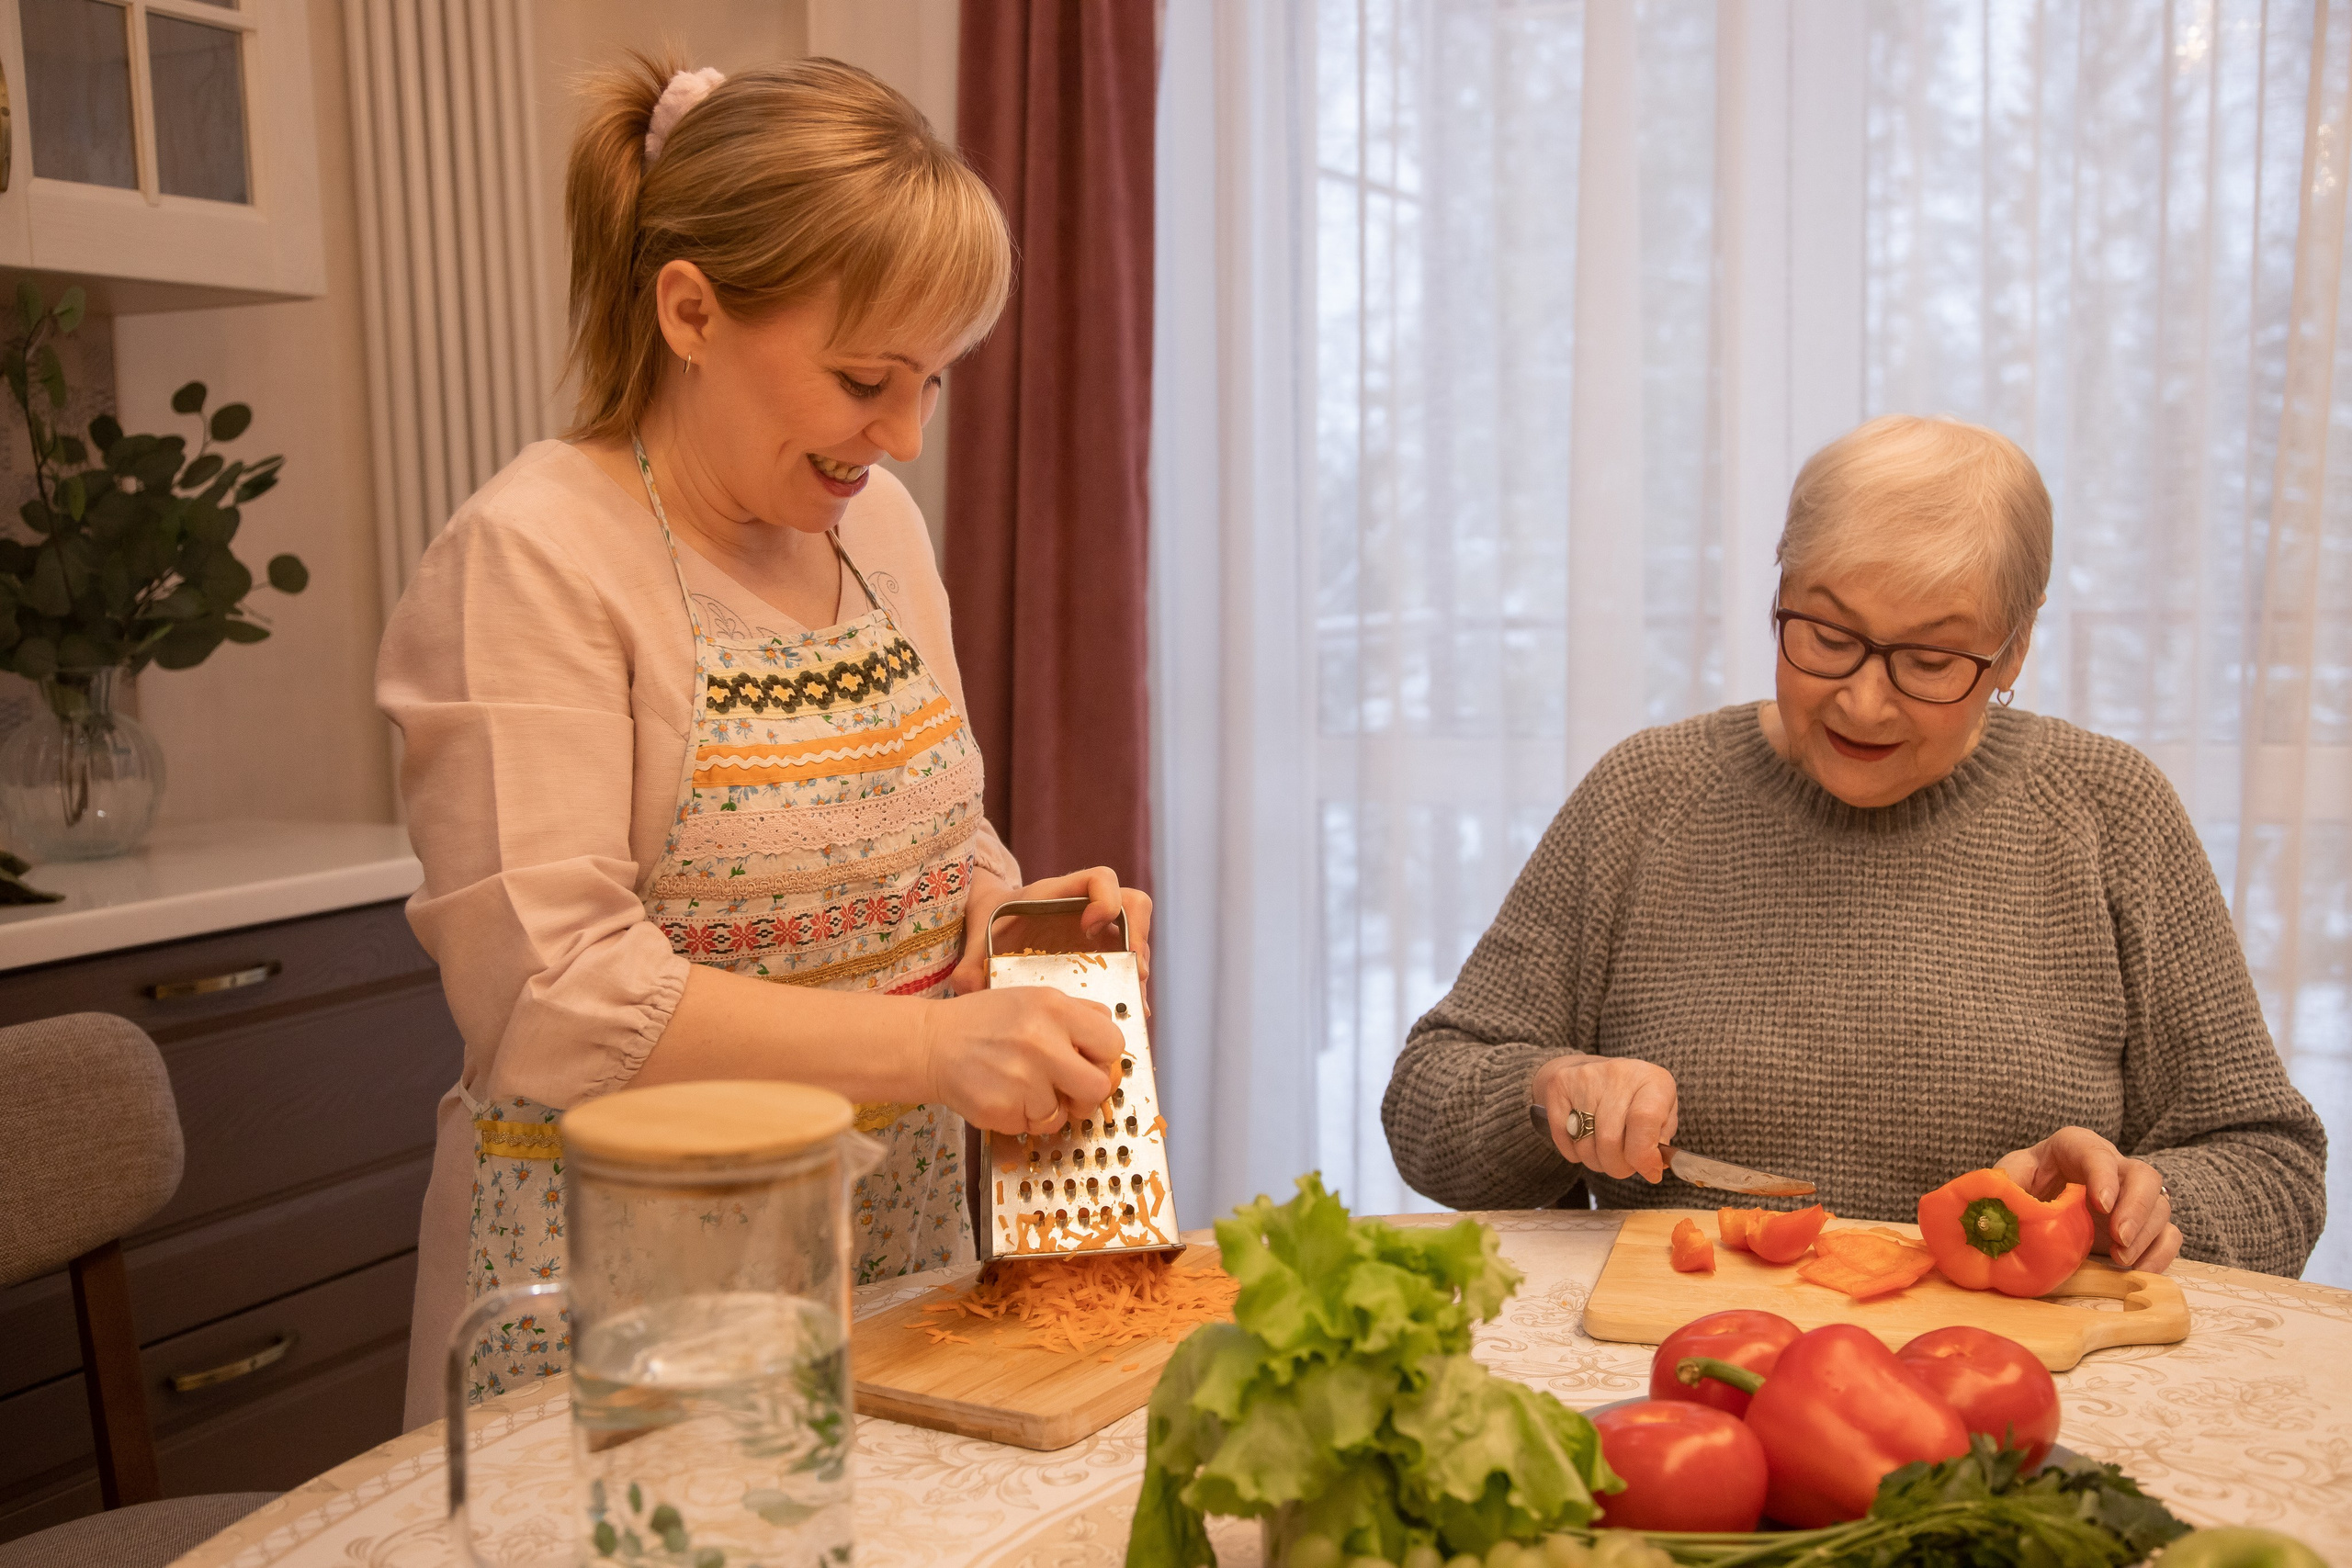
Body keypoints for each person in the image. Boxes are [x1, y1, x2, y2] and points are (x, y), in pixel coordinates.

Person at [379, 54, 1148, 1427]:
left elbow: (932, 823)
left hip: (889, 1264)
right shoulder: (532, 557)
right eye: (865, 376)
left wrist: (1008, 916)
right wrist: (933, 1051)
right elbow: (556, 997)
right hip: (625, 1296)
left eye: (933, 381)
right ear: (691, 308)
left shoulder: (875, 529)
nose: (902, 433)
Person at [1382, 414, 2325, 1278]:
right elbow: (1427, 1104)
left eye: (1929, 661)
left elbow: (2273, 1169)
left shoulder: (2108, 813)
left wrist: (2129, 1208)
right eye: (1826, 634)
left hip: (2016, 1395)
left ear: (2016, 648)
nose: (1863, 701)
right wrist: (1551, 1096)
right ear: (1778, 592)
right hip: (1682, 1382)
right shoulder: (1647, 797)